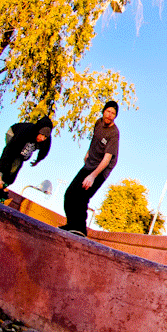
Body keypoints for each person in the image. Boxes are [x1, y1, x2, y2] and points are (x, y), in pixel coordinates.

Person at [60, 101, 120, 236]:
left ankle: (80, 229)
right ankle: (71, 224)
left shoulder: (114, 133)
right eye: (108, 111)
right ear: (103, 111)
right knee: (69, 194)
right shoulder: (98, 123)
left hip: (101, 170)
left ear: (115, 116)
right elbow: (94, 140)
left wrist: (93, 176)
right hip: (89, 164)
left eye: (113, 114)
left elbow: (107, 159)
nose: (109, 115)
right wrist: (88, 152)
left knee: (82, 197)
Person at [0, 115, 54, 200]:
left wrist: (38, 160)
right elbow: (8, 152)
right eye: (41, 135)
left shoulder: (47, 140)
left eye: (45, 137)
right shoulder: (26, 131)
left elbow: (44, 151)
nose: (42, 138)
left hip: (26, 143)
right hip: (13, 134)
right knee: (15, 159)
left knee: (22, 158)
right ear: (37, 131)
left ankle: (2, 185)